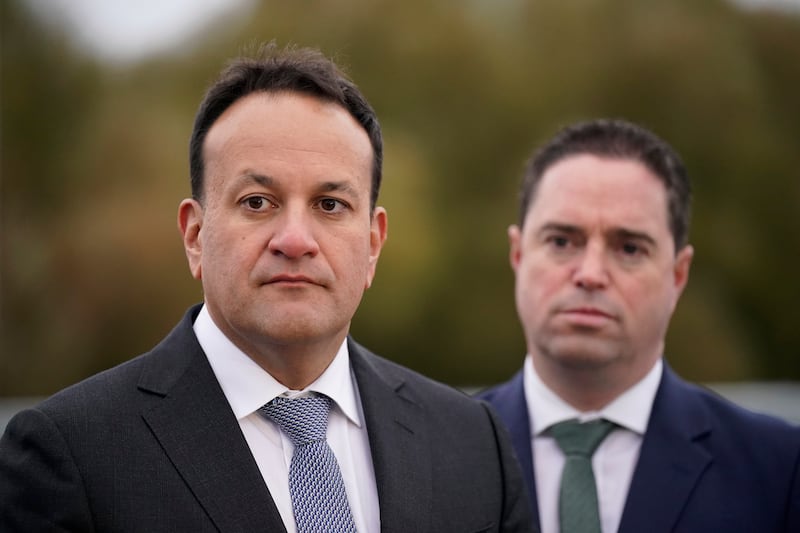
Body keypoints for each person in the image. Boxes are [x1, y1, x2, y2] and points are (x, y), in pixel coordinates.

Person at [0, 44, 534, 533]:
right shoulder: (72, 455)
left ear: (373, 243)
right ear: (194, 234)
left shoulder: (471, 444)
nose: (296, 240)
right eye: (258, 201)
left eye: (330, 205)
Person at [478, 118, 800, 533]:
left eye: (629, 248)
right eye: (561, 241)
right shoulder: (435, 455)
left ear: (678, 274)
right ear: (518, 255)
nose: (590, 273)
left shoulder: (777, 469)